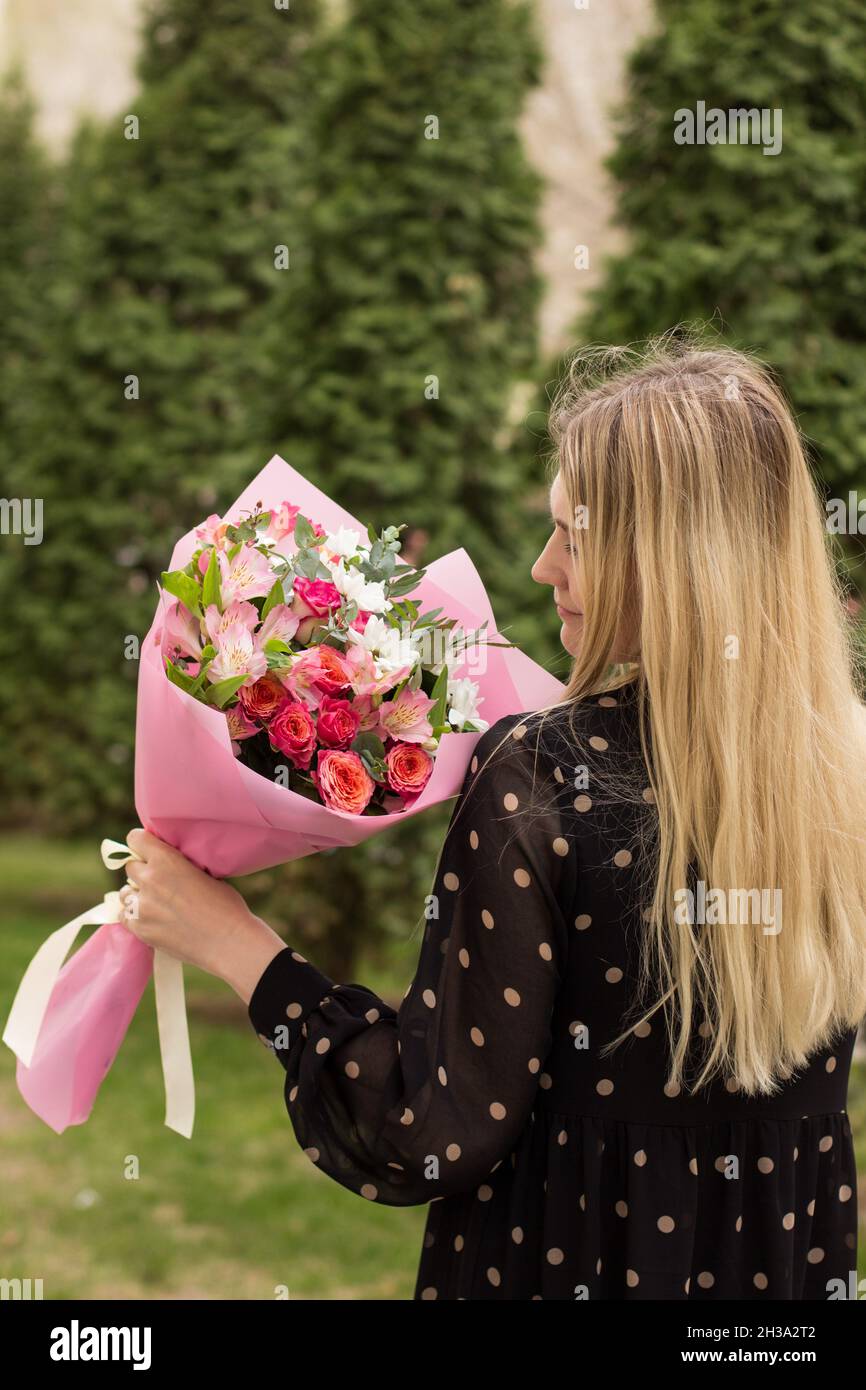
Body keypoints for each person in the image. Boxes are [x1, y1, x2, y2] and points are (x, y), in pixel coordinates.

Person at [119, 334, 866, 1300]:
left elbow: (425, 1132)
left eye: (577, 536)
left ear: (677, 564)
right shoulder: (842, 773)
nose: (543, 565)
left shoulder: (542, 779)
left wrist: (239, 947)